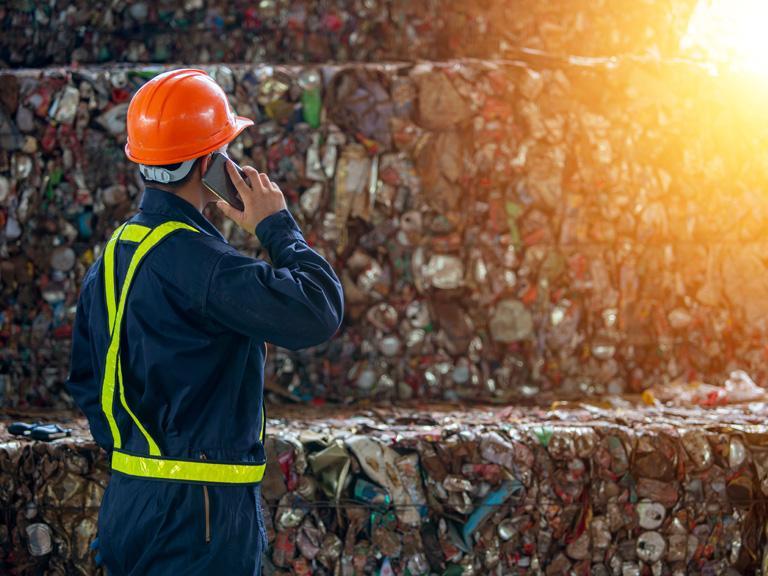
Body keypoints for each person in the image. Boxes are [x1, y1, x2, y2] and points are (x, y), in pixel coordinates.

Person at [66, 68, 344, 575]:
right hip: (201, 518)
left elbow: (87, 382)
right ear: (211, 162)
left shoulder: (115, 254)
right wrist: (276, 227)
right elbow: (318, 310)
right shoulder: (202, 264)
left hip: (129, 504)